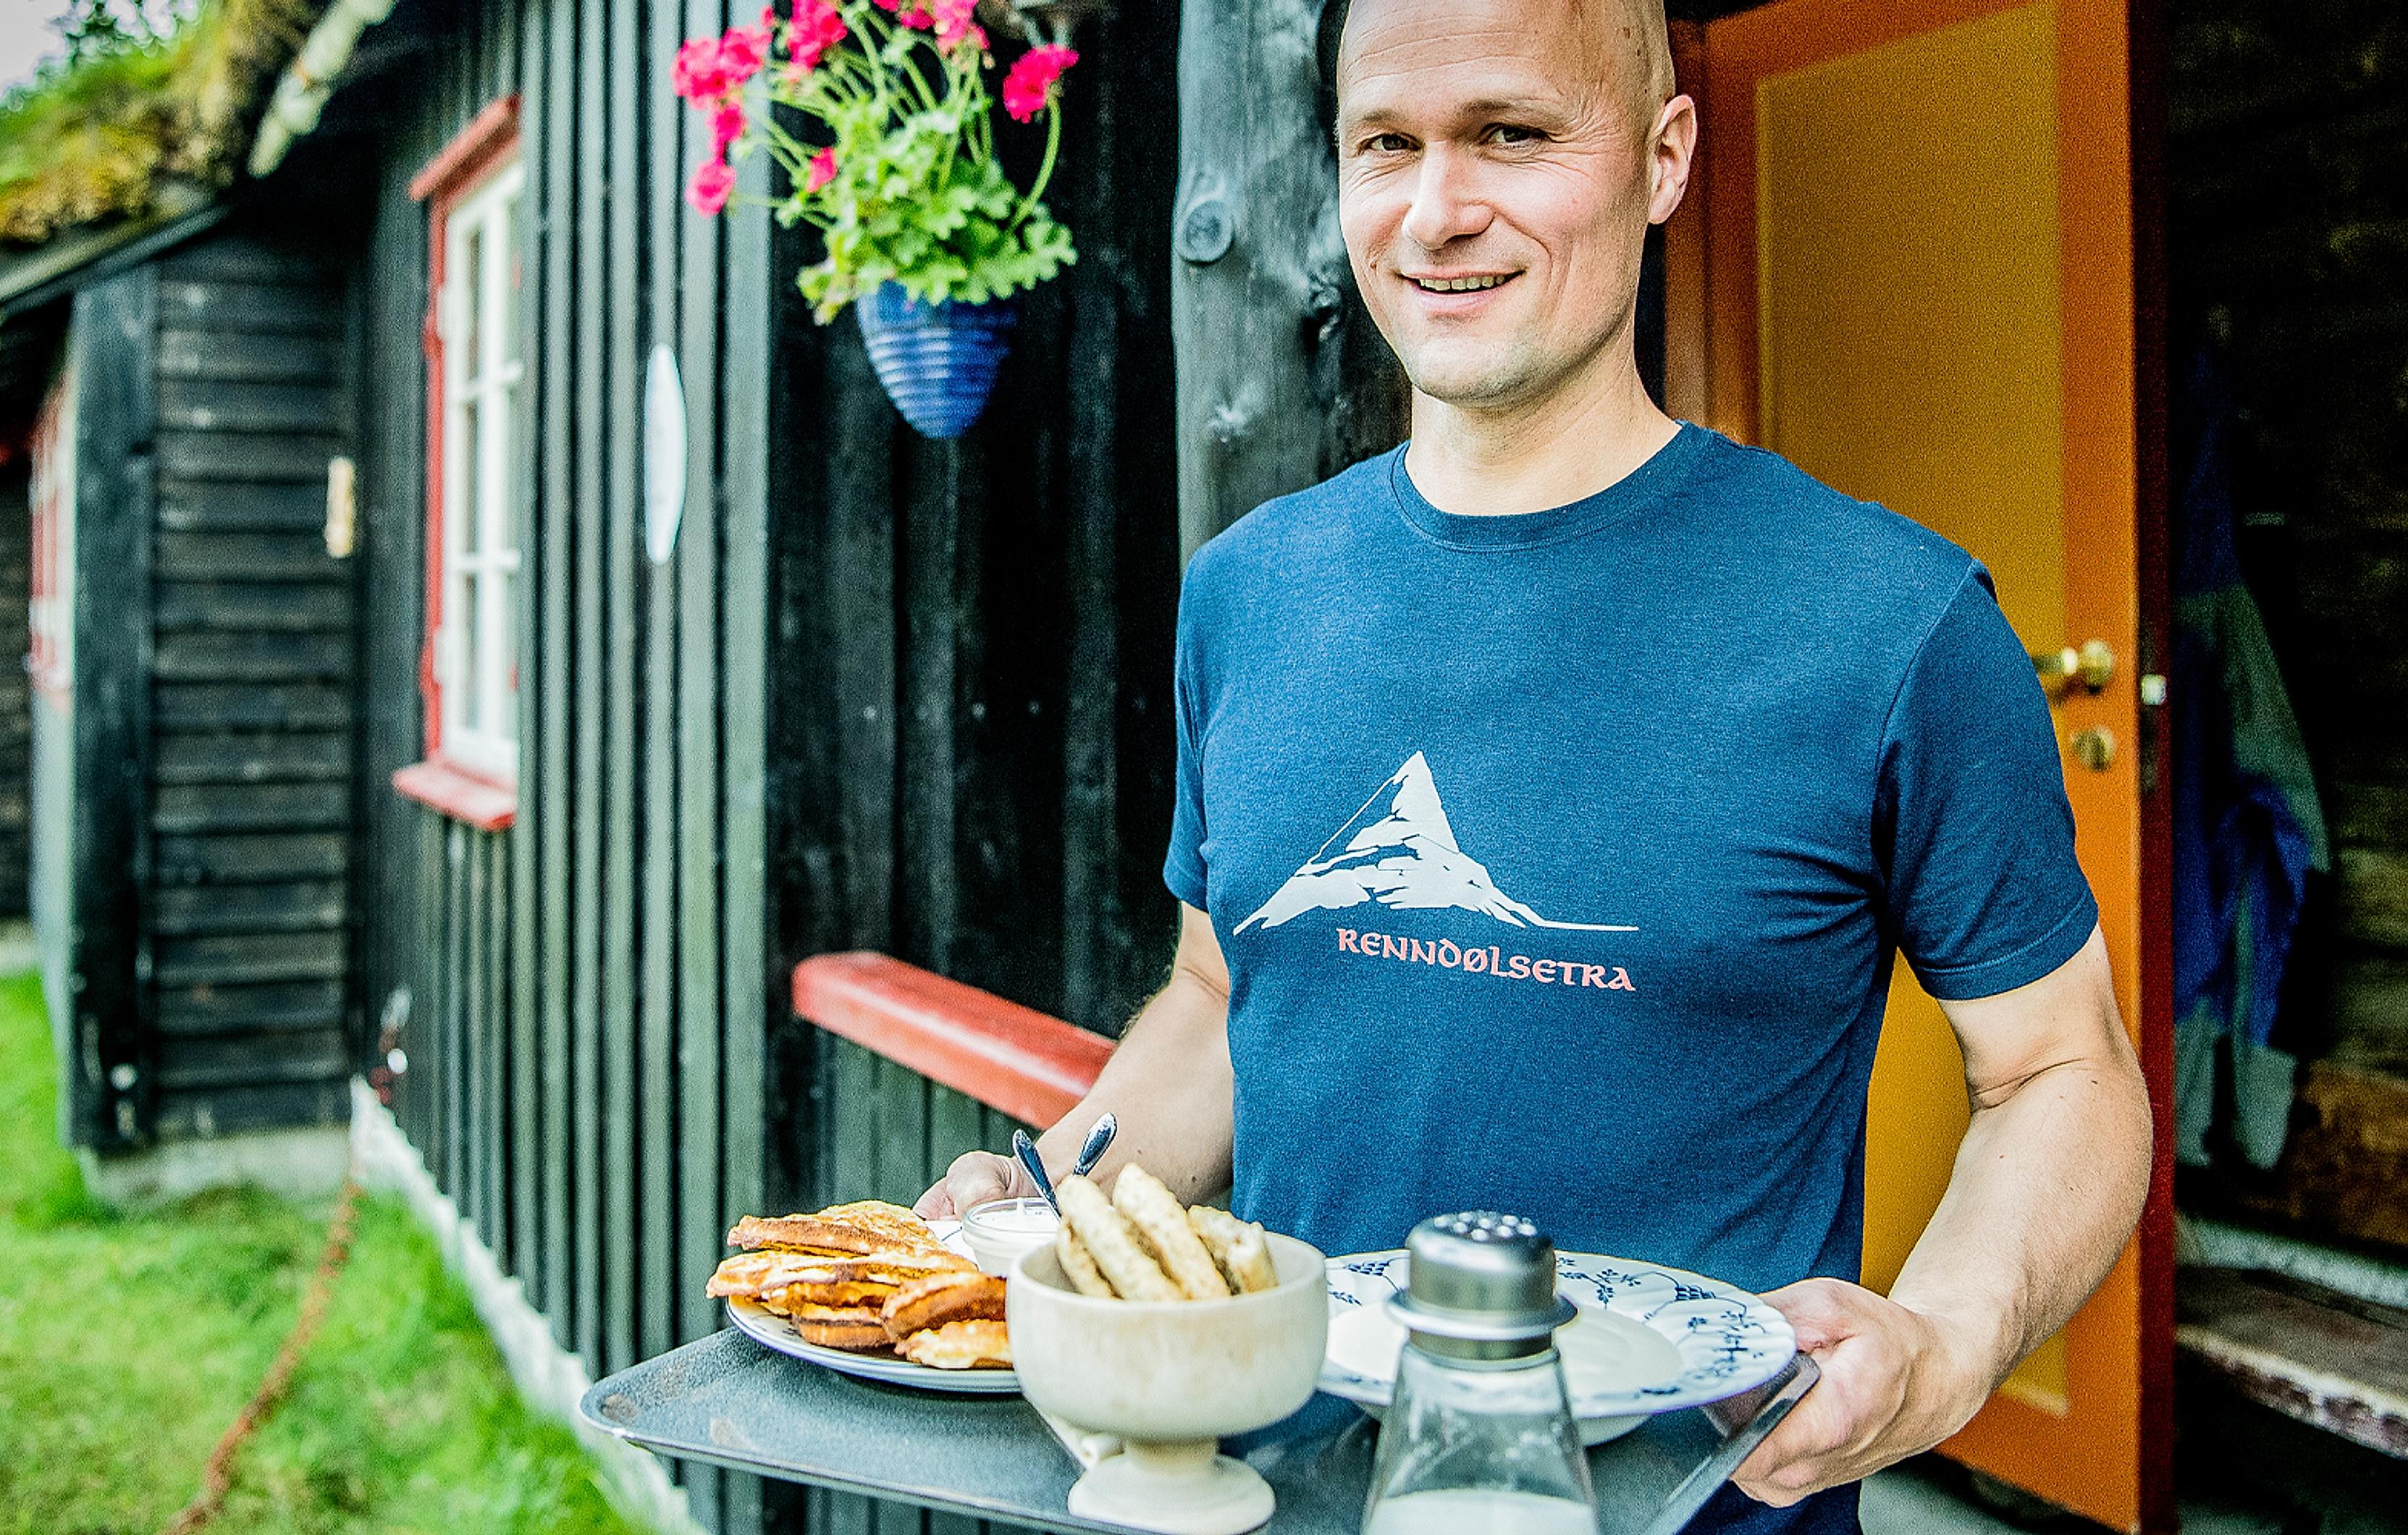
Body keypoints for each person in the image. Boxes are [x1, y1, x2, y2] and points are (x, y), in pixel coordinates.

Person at [919, 1, 2152, 1528]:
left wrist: (1944, 1343)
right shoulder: (1249, 590)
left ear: (1661, 156)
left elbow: (2059, 1071)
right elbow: (1215, 999)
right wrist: (1051, 1205)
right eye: (1388, 145)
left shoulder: (1886, 622)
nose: (1438, 212)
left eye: (1510, 134)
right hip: (1267, 1490)